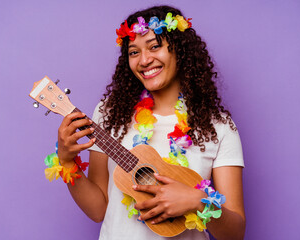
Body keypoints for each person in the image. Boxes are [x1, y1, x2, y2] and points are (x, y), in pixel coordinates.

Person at [56, 5, 245, 240]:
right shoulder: (110, 114)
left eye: (154, 46)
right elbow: (97, 210)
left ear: (181, 51)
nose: (144, 60)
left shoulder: (218, 126)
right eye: (134, 52)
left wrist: (197, 201)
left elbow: (235, 233)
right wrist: (67, 161)